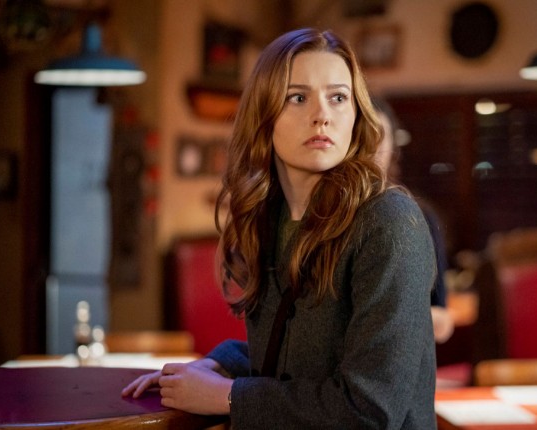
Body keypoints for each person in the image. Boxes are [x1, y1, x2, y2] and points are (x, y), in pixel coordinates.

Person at [123, 28, 438, 429]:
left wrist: (226, 395)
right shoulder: (268, 216)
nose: (322, 114)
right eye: (298, 97)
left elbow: (369, 410)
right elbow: (300, 359)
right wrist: (213, 367)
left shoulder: (389, 222)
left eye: (338, 98)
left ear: (356, 115)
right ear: (264, 114)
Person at [372, 97, 455, 344]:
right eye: (361, 134)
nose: (371, 146)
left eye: (380, 135)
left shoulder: (419, 216)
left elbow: (442, 318)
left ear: (392, 145)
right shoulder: (326, 216)